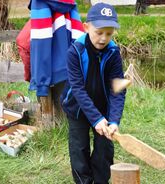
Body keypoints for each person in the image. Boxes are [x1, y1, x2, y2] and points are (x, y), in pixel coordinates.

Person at [60, 3, 126, 184]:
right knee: (79, 149)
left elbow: (118, 89)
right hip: (77, 108)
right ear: (86, 27)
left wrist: (113, 120)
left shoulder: (114, 52)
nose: (103, 38)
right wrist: (96, 119)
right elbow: (78, 89)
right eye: (99, 32)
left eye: (109, 33)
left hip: (104, 108)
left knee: (104, 149)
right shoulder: (75, 51)